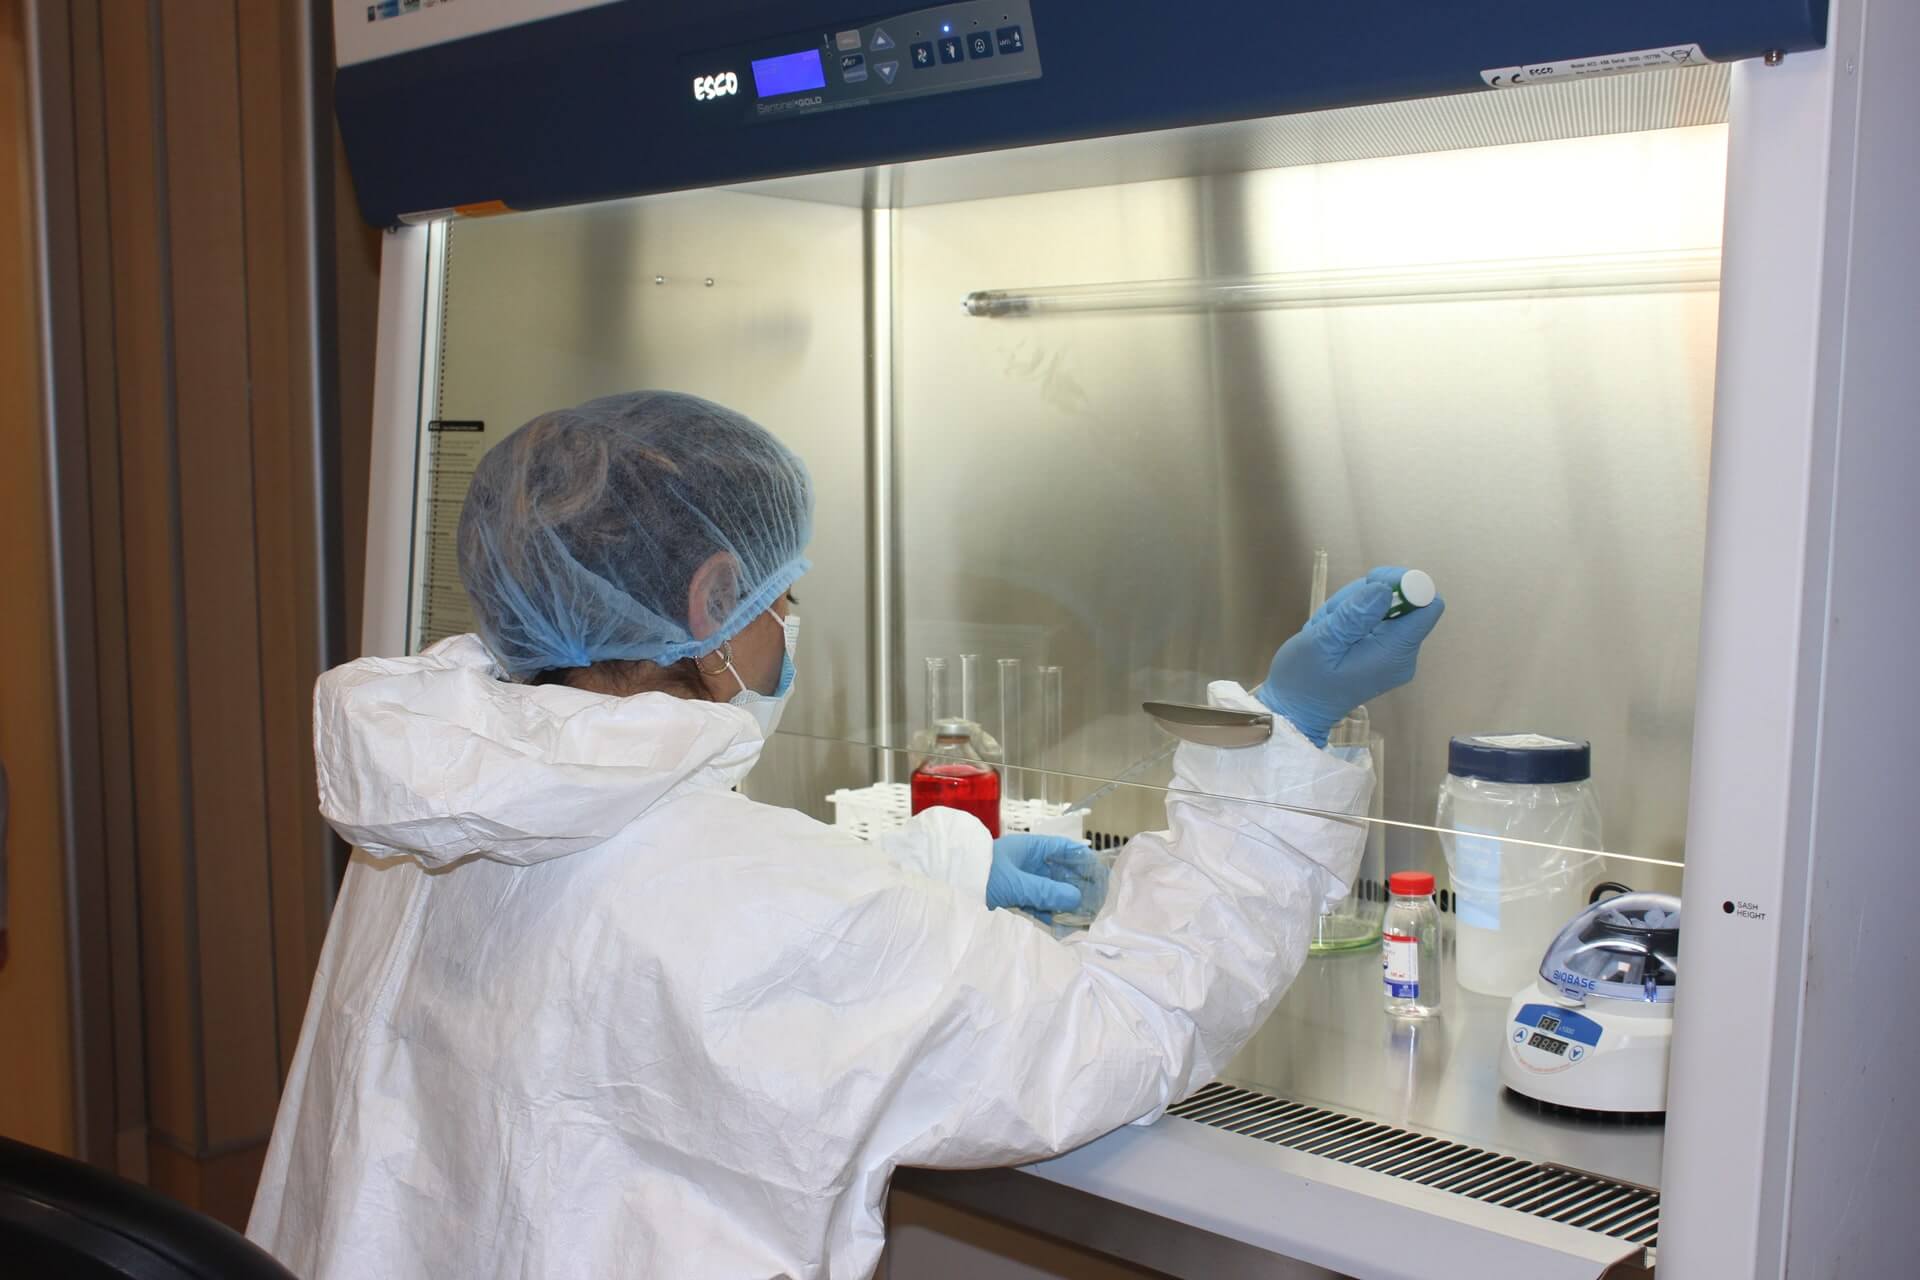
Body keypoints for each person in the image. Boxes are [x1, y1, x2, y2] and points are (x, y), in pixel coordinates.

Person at [247, 391, 1444, 1279]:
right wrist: (1280, 746)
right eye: (784, 595)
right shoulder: (755, 898)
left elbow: (662, 934)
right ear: (715, 599)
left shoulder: (436, 806)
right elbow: (1128, 1030)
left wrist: (943, 866)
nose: (787, 626)